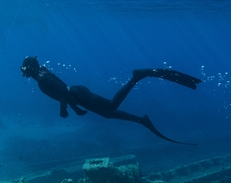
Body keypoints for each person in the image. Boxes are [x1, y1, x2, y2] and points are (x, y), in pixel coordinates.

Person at [20, 56, 201, 144]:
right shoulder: (42, 73)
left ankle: (137, 76)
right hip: (77, 94)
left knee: (112, 106)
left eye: (25, 70)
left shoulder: (42, 80)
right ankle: (141, 120)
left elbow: (62, 92)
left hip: (77, 95)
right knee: (108, 113)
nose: (25, 74)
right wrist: (65, 108)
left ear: (30, 69)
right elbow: (61, 90)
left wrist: (74, 109)